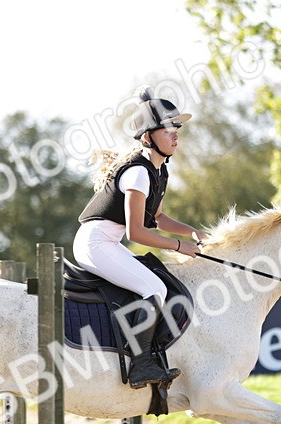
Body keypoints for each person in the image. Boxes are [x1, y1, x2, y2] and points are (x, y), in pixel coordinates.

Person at [74, 88, 206, 389]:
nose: (175, 135)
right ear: (147, 137)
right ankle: (141, 366)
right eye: (168, 129)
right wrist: (179, 246)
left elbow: (158, 218)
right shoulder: (138, 173)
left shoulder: (158, 171)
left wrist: (191, 231)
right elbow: (137, 233)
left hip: (108, 242)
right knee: (154, 287)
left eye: (177, 128)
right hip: (95, 243)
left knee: (159, 280)